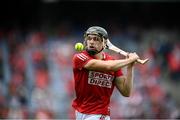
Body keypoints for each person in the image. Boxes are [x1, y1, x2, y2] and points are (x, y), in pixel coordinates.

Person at [72, 26, 139, 120]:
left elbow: (126, 92)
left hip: (100, 114)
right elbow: (108, 66)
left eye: (96, 39)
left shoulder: (113, 62)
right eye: (89, 38)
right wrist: (129, 60)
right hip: (80, 112)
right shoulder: (79, 57)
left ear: (104, 43)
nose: (91, 42)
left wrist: (130, 66)